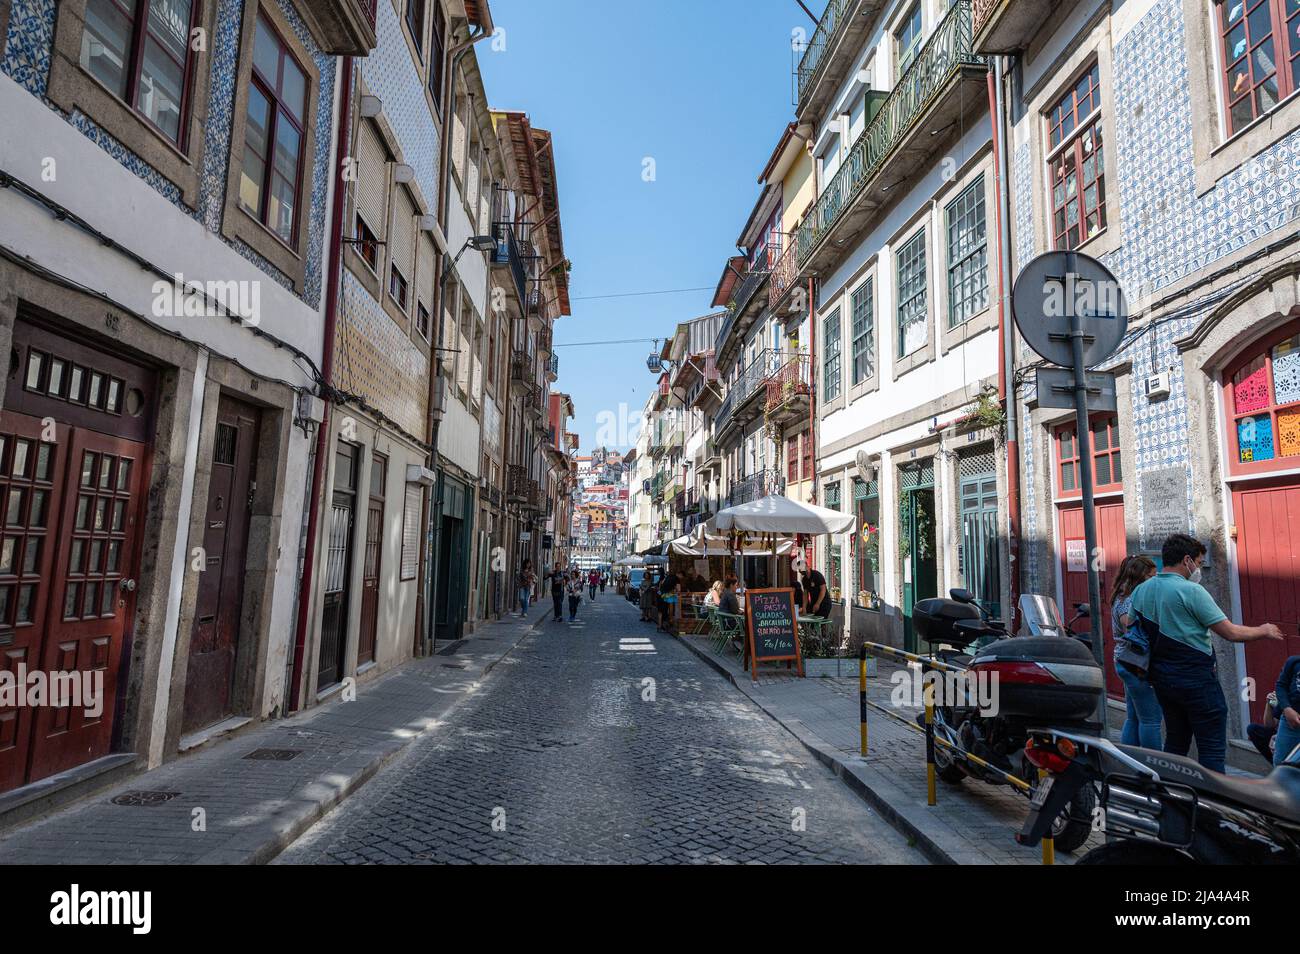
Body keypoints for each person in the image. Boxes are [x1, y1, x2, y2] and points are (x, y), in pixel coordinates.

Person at [1130, 533, 1283, 773]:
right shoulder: (1192, 591)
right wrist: (1263, 630)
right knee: (1211, 748)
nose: (1199, 568)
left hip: (1162, 679)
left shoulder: (1142, 590)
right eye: (1199, 563)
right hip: (1196, 680)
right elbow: (1230, 633)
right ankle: (1211, 805)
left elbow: (1132, 626)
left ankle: (1172, 798)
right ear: (1187, 560)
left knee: (1175, 741)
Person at [1110, 554, 1163, 749]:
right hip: (1135, 663)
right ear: (1139, 577)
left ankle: (1130, 763)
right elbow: (1129, 627)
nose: (1154, 580)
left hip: (1125, 662)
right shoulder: (1129, 600)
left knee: (1133, 717)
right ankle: (1154, 767)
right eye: (1151, 576)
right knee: (1151, 719)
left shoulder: (1122, 595)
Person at [1273, 654, 1300, 766]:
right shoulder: (1294, 662)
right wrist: (1287, 709)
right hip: (1290, 723)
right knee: (1280, 764)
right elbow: (1281, 686)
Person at [658, 567, 679, 634]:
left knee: (660, 612)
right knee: (667, 611)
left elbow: (660, 586)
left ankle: (660, 626)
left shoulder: (666, 579)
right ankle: (666, 624)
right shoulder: (675, 579)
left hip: (661, 596)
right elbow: (678, 590)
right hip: (666, 597)